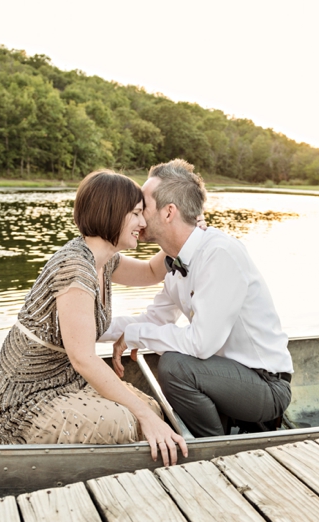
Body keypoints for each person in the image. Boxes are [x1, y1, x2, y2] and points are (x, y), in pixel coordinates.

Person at [0, 170, 188, 465]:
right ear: (112, 213)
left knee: (151, 408)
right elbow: (83, 359)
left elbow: (152, 272)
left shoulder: (105, 260)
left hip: (63, 384)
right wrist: (142, 415)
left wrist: (183, 233)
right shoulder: (75, 268)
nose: (143, 223)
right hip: (22, 403)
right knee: (131, 422)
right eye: (135, 214)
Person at [104, 159, 293, 440]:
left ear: (169, 212)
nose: (138, 216)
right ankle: (222, 429)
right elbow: (153, 320)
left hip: (265, 386)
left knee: (174, 365)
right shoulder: (177, 260)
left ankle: (215, 449)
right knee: (165, 348)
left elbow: (201, 344)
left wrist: (137, 335)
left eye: (143, 207)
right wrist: (93, 329)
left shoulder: (219, 254)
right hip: (226, 376)